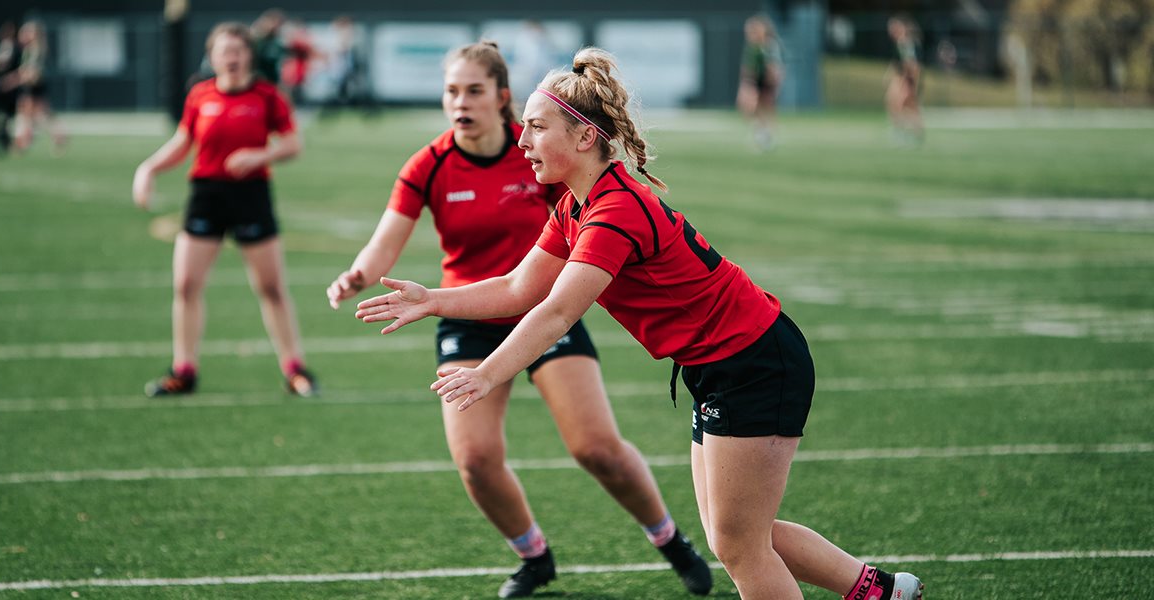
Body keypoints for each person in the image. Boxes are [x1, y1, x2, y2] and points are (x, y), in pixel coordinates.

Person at [355, 47, 925, 600]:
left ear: (583, 137)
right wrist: (433, 298)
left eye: (536, 127)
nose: (522, 140)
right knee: (744, 537)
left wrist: (486, 373)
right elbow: (518, 288)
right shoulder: (575, 204)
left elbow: (554, 312)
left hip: (753, 362)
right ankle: (879, 591)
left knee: (739, 546)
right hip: (724, 365)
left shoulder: (612, 211)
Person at [327, 41, 712, 599]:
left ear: (502, 97)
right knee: (476, 461)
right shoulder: (429, 164)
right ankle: (533, 556)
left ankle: (670, 539)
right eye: (451, 91)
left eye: (474, 91)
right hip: (466, 309)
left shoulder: (538, 147)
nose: (460, 102)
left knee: (596, 448)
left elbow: (589, 212)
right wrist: (357, 275)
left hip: (543, 308)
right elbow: (386, 241)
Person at [132, 22, 317, 398]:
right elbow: (184, 141)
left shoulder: (267, 95)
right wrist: (148, 168)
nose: (232, 58)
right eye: (224, 52)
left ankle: (295, 370)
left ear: (248, 55)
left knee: (271, 288)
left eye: (238, 51)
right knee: (186, 286)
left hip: (251, 194)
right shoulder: (200, 95)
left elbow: (293, 144)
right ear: (212, 57)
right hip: (207, 195)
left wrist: (259, 154)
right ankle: (183, 370)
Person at [12, 21, 67, 153]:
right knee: (32, 114)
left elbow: (33, 72)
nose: (24, 35)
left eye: (27, 32)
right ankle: (28, 140)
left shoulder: (37, 49)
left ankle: (27, 141)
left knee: (37, 115)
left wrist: (19, 78)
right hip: (32, 85)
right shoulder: (29, 50)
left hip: (35, 86)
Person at [736, 15, 783, 151]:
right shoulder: (752, 47)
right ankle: (762, 130)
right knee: (749, 106)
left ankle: (766, 133)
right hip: (753, 80)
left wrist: (773, 80)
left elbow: (773, 66)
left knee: (765, 106)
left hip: (765, 81)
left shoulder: (768, 45)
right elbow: (747, 66)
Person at [886, 15, 924, 145]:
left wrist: (909, 82)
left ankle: (907, 133)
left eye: (894, 27)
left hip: (906, 79)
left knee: (905, 106)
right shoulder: (899, 43)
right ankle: (908, 133)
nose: (891, 31)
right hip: (902, 78)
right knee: (899, 105)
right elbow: (897, 63)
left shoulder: (905, 43)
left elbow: (911, 64)